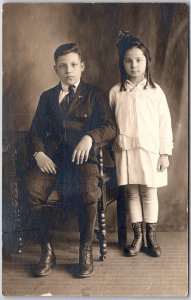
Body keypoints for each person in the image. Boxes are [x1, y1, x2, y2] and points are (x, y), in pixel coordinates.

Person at [25, 42, 116, 278]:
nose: (69, 70)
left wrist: (89, 137)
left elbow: (110, 127)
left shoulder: (95, 94)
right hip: (52, 162)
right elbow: (35, 132)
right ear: (55, 68)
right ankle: (47, 249)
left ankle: (85, 249)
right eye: (63, 66)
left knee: (89, 192)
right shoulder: (47, 98)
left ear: (82, 66)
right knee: (32, 191)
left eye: (74, 65)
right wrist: (39, 153)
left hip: (83, 161)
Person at [109, 31, 173, 257]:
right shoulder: (117, 92)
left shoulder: (155, 92)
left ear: (147, 62)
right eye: (128, 61)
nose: (134, 66)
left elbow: (164, 124)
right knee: (132, 193)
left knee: (149, 192)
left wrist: (165, 153)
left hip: (149, 151)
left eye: (139, 60)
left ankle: (151, 237)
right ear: (122, 63)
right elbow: (110, 123)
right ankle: (137, 237)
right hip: (126, 152)